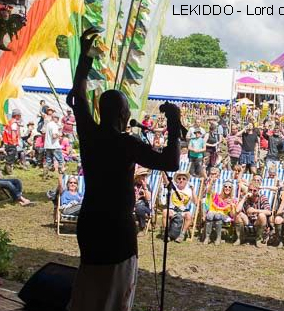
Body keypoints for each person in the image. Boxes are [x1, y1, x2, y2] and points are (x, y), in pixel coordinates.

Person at [66, 28, 182, 311]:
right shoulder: (126, 143)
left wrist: (84, 58)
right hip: (116, 228)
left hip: (90, 222)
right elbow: (171, 163)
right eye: (128, 109)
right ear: (122, 115)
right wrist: (175, 123)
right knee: (115, 294)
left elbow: (78, 97)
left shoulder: (89, 133)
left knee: (89, 290)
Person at [233, 183, 271, 247]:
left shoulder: (262, 198)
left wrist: (255, 210)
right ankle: (240, 238)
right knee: (238, 214)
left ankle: (258, 239)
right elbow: (237, 210)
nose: (252, 192)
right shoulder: (246, 198)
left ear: (258, 190)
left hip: (258, 222)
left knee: (262, 215)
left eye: (254, 190)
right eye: (250, 190)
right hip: (248, 221)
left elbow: (269, 212)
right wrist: (244, 198)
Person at [202, 180, 236, 244]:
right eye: (225, 186)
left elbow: (232, 215)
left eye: (229, 187)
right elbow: (208, 192)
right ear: (223, 188)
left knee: (218, 215)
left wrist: (232, 207)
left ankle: (218, 237)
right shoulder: (216, 196)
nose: (227, 188)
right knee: (210, 215)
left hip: (224, 215)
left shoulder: (232, 200)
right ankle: (207, 237)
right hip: (212, 213)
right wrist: (211, 183)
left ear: (232, 189)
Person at [133, 170, 152, 235]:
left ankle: (142, 227)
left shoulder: (147, 186)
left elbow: (148, 199)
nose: (144, 177)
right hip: (133, 205)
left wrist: (145, 188)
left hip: (144, 207)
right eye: (142, 175)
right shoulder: (132, 185)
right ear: (137, 177)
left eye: (145, 176)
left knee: (139, 208)